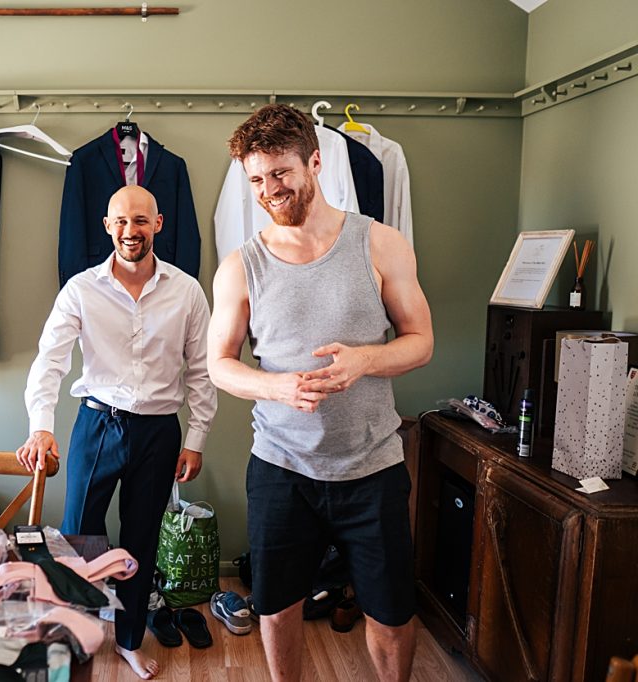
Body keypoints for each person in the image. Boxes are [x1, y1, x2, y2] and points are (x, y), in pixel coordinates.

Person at [207, 105, 433, 682]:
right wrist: (275, 386)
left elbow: (421, 341)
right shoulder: (240, 266)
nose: (269, 191)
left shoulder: (381, 244)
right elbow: (219, 364)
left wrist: (366, 360)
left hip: (373, 466)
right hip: (282, 469)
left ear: (314, 162)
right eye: (256, 179)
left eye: (280, 173)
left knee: (390, 614)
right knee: (277, 607)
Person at [17, 185, 217, 679]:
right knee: (78, 535)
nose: (131, 231)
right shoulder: (80, 289)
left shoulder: (187, 291)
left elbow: (202, 370)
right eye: (121, 221)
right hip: (97, 424)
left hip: (159, 431)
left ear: (158, 224)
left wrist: (196, 439)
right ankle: (77, 633)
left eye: (141, 220)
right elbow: (49, 362)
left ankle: (128, 639)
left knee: (141, 539)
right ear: (108, 226)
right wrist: (40, 428)